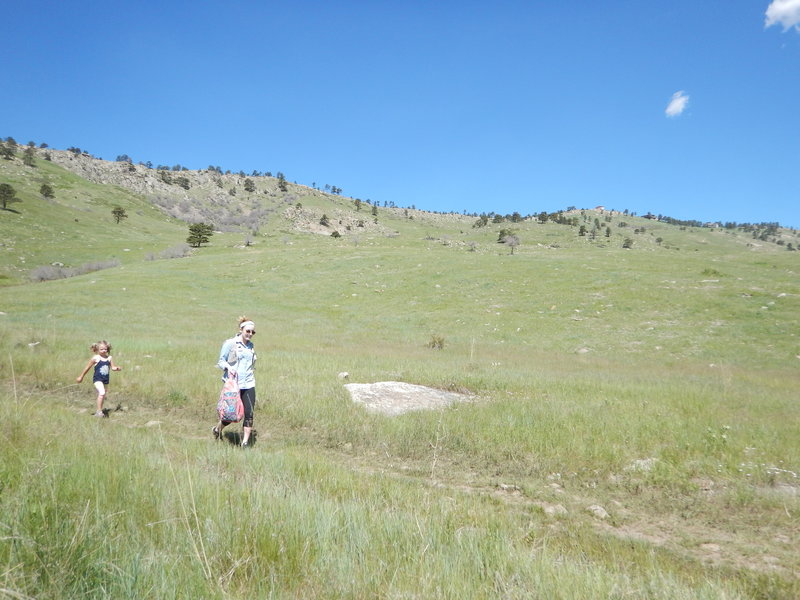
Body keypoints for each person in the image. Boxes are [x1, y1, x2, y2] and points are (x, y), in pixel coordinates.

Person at [213, 316, 258, 447]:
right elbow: (221, 361)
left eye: (252, 332)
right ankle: (217, 430)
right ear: (241, 329)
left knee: (249, 413)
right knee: (231, 415)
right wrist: (228, 367)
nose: (250, 334)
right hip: (234, 385)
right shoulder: (230, 343)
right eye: (248, 331)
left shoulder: (251, 346)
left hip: (249, 383)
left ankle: (245, 444)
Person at [76, 340, 122, 417]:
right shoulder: (96, 358)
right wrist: (81, 376)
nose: (104, 351)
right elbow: (87, 367)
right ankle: (99, 412)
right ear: (97, 350)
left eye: (105, 349)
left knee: (102, 395)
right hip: (97, 379)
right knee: (102, 393)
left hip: (105, 380)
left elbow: (113, 367)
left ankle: (99, 410)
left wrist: (117, 368)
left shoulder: (109, 358)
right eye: (101, 349)